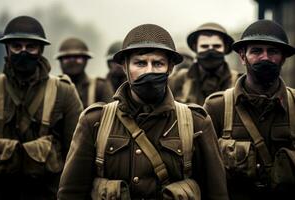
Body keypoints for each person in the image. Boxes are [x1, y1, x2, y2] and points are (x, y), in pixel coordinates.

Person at [58, 23, 228, 200]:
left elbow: (216, 193)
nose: (149, 71)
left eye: (158, 63)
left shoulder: (197, 122)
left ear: (170, 68)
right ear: (125, 67)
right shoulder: (94, 121)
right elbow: (71, 193)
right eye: (140, 63)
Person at [203, 19, 295, 200]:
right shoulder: (217, 107)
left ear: (283, 57)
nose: (265, 57)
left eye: (273, 51)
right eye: (256, 51)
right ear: (242, 56)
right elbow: (204, 175)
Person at [0, 16, 83, 200]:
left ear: (41, 50)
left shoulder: (64, 91)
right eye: (17, 46)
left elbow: (76, 154)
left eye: (31, 47)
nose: (23, 52)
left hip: (46, 191)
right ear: (7, 49)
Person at [169, 22, 240, 105]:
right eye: (204, 46)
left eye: (216, 46)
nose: (210, 50)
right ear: (195, 48)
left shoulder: (238, 82)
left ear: (225, 48)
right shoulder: (177, 80)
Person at [56, 37, 114, 108]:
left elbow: (110, 114)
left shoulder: (99, 87)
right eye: (67, 58)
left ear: (86, 60)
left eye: (78, 58)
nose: (72, 61)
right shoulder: (52, 87)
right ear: (60, 61)